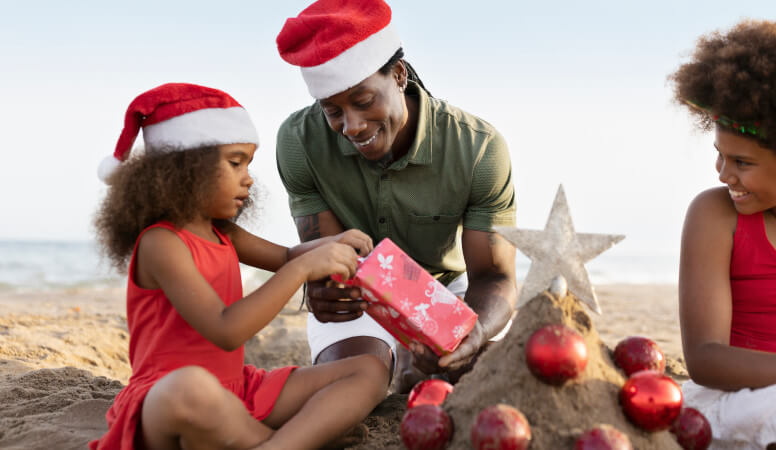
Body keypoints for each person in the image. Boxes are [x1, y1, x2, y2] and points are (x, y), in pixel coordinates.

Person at [90, 83, 387, 450]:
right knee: (190, 388)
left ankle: (274, 443)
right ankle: (288, 441)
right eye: (234, 162)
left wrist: (331, 243)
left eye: (248, 163)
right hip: (171, 398)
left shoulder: (223, 231)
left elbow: (286, 257)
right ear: (184, 169)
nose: (248, 177)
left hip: (240, 390)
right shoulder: (161, 243)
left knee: (369, 370)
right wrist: (302, 270)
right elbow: (226, 329)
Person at [274, 0, 518, 393]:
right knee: (353, 389)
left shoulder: (478, 149)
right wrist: (324, 289)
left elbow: (494, 276)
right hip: (362, 294)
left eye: (364, 101)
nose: (351, 126)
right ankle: (398, 363)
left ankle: (420, 362)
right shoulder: (298, 143)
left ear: (399, 75)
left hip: (447, 290)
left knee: (491, 384)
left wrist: (469, 335)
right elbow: (330, 261)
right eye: (332, 111)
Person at [672, 19, 776, 450]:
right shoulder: (715, 215)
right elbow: (705, 359)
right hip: (735, 400)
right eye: (719, 155)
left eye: (742, 162)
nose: (724, 173)